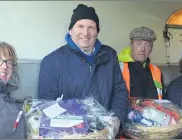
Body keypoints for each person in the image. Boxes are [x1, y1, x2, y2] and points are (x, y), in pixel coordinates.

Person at [37, 4, 128, 137]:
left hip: (105, 132)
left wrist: (116, 119)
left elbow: (119, 90)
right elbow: (47, 104)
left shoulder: (110, 55)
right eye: (80, 26)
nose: (85, 33)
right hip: (70, 134)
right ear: (70, 30)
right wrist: (71, 132)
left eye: (91, 27)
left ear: (97, 31)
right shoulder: (52, 61)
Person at [118, 26, 166, 139]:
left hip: (154, 132)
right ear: (131, 45)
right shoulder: (118, 69)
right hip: (127, 134)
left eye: (147, 45)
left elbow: (163, 103)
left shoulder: (157, 71)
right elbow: (113, 104)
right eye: (138, 43)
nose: (142, 49)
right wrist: (124, 130)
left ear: (151, 48)